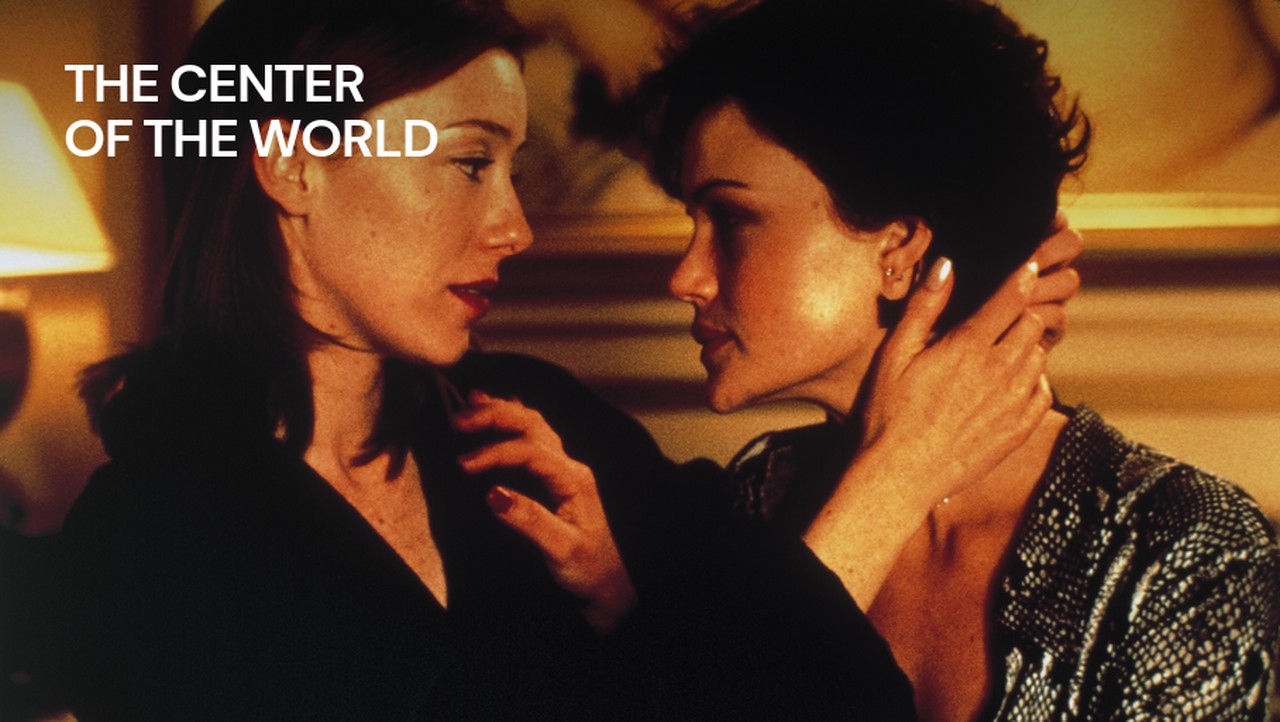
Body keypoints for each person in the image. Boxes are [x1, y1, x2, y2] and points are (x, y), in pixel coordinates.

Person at [50, 0, 1076, 720]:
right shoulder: (144, 544)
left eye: (511, 167)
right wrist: (892, 480)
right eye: (468, 162)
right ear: (291, 163)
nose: (513, 226)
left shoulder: (538, 429)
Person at [635, 0, 1280, 719]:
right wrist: (889, 487)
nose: (685, 277)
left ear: (900, 250)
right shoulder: (758, 498)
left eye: (731, 219)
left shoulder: (1182, 544)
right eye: (693, 222)